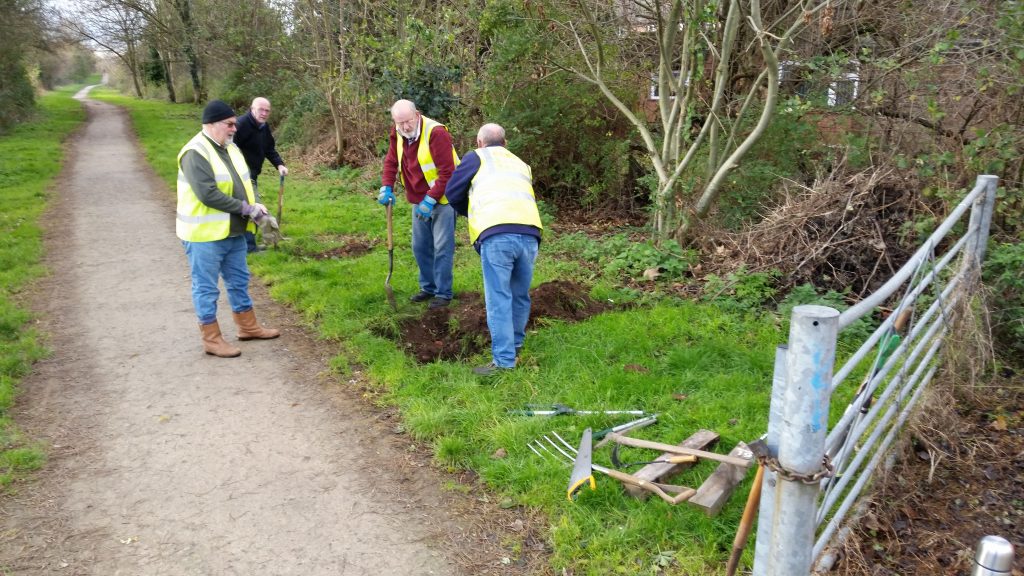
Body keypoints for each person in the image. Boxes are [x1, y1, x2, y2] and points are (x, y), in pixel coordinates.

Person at [176, 99, 281, 358]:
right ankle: (212, 339)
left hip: (233, 230)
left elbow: (241, 184)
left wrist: (256, 206)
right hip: (204, 236)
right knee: (206, 287)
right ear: (211, 125)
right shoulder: (196, 152)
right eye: (229, 124)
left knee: (239, 280)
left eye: (235, 124)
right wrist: (247, 209)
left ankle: (248, 327)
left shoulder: (230, 148)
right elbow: (208, 194)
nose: (235, 128)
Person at [445, 123, 543, 376]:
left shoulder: (476, 157)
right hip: (530, 233)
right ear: (505, 143)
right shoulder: (521, 163)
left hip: (497, 234)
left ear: (479, 142)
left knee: (499, 297)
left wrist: (473, 211)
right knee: (520, 295)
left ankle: (503, 361)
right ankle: (516, 347)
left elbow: (453, 192)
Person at [377, 99, 459, 309]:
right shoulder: (398, 132)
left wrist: (431, 200)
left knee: (442, 247)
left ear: (417, 115)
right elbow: (391, 161)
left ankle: (443, 293)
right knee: (420, 247)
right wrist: (386, 186)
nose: (404, 127)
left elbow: (448, 173)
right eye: (400, 122)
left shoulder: (436, 133)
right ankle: (428, 288)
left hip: (443, 198)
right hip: (418, 199)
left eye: (408, 121)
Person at [234, 97, 288, 253]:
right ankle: (250, 247)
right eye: (261, 109)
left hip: (252, 174)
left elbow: (269, 148)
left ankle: (249, 244)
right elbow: (230, 150)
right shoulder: (240, 125)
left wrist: (279, 164)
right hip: (241, 176)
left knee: (250, 208)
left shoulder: (263, 127)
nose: (264, 113)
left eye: (267, 111)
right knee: (251, 208)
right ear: (252, 109)